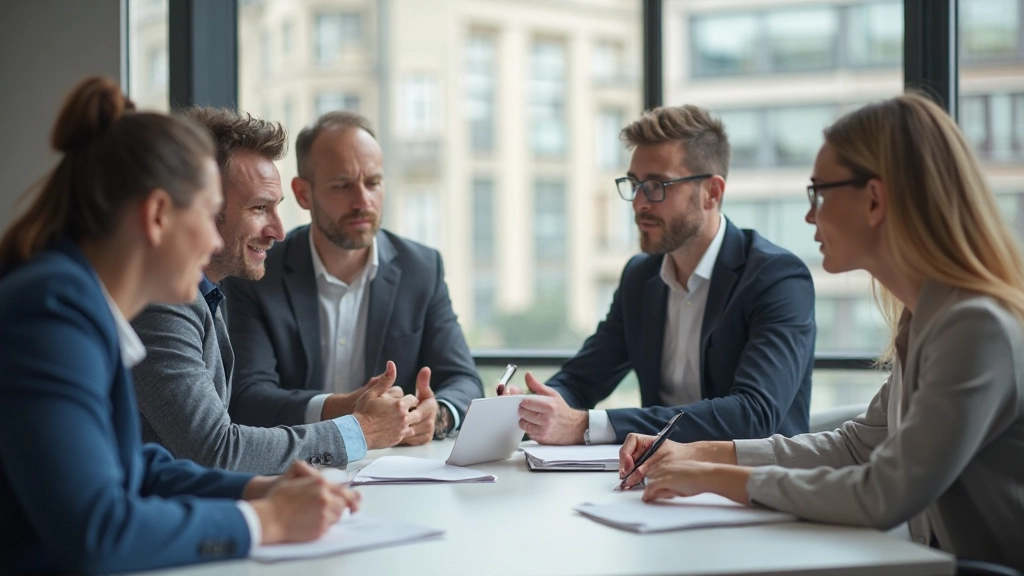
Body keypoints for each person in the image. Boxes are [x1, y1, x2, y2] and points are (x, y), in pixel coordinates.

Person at [619, 93, 1024, 570]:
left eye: (820, 193)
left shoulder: (976, 328)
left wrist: (713, 478)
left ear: (874, 199)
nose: (810, 215)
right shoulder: (928, 321)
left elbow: (883, 494)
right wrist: (698, 452)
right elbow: (856, 446)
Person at [0, 77, 360, 575]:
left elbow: (133, 464)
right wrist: (264, 521)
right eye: (210, 213)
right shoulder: (51, 313)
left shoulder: (82, 303)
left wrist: (259, 488)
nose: (211, 240)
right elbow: (97, 533)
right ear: (157, 216)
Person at [502, 104, 815, 446]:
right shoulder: (641, 277)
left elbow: (754, 414)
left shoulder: (776, 278)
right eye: (634, 184)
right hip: (657, 480)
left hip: (752, 487)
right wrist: (537, 407)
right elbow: (583, 380)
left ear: (712, 193)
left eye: (656, 186)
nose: (638, 203)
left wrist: (585, 425)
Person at [130, 107, 417, 475]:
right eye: (259, 208)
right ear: (200, 207)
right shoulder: (161, 302)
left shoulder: (204, 294)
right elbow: (217, 450)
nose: (278, 231)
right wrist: (362, 429)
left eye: (276, 208)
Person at [220, 111, 482, 445]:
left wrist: (436, 415)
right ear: (303, 194)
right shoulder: (258, 270)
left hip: (399, 471)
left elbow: (463, 379)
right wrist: (347, 412)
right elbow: (247, 395)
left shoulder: (421, 268)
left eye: (373, 183)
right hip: (296, 467)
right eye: (342, 185)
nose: (363, 201)